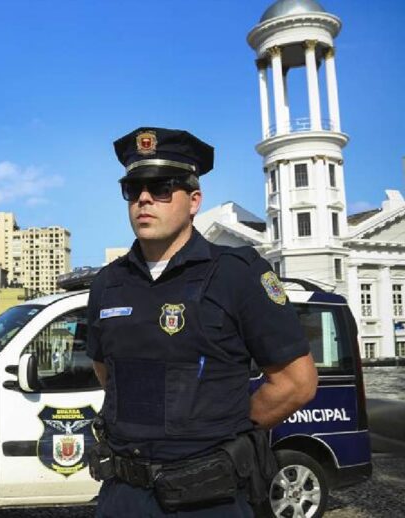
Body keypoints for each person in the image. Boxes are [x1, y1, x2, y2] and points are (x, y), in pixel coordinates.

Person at [86, 127, 319, 517]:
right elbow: (106, 373)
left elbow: (296, 383)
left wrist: (221, 430)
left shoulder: (237, 275)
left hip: (207, 498)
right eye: (134, 188)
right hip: (123, 496)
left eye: (162, 188)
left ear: (194, 201)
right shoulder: (108, 283)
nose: (144, 198)